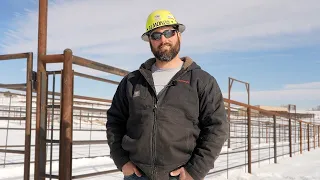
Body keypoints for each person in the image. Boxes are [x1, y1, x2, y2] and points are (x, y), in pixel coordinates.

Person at [106, 9, 229, 180]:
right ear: (149, 41)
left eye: (169, 32)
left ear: (179, 35)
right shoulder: (132, 81)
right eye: (156, 36)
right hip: (136, 175)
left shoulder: (201, 81)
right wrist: (121, 160)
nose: (163, 39)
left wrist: (195, 171)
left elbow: (217, 128)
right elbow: (114, 121)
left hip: (180, 176)